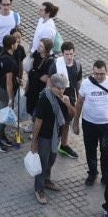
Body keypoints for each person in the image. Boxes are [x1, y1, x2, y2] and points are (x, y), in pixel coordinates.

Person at [74, 59, 108, 186]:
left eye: (102, 74)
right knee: (90, 150)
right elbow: (79, 103)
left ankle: (106, 175)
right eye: (96, 74)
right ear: (93, 72)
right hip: (89, 123)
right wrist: (75, 122)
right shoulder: (85, 84)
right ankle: (93, 172)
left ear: (107, 72)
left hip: (107, 124)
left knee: (106, 151)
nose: (99, 76)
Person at [31, 73, 72, 205]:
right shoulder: (45, 99)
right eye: (58, 88)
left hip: (56, 136)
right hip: (45, 137)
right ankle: (39, 189)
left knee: (52, 159)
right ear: (52, 86)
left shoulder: (65, 98)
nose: (61, 91)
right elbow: (38, 121)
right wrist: (34, 142)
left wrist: (68, 105)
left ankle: (47, 180)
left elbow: (72, 114)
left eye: (63, 88)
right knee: (42, 163)